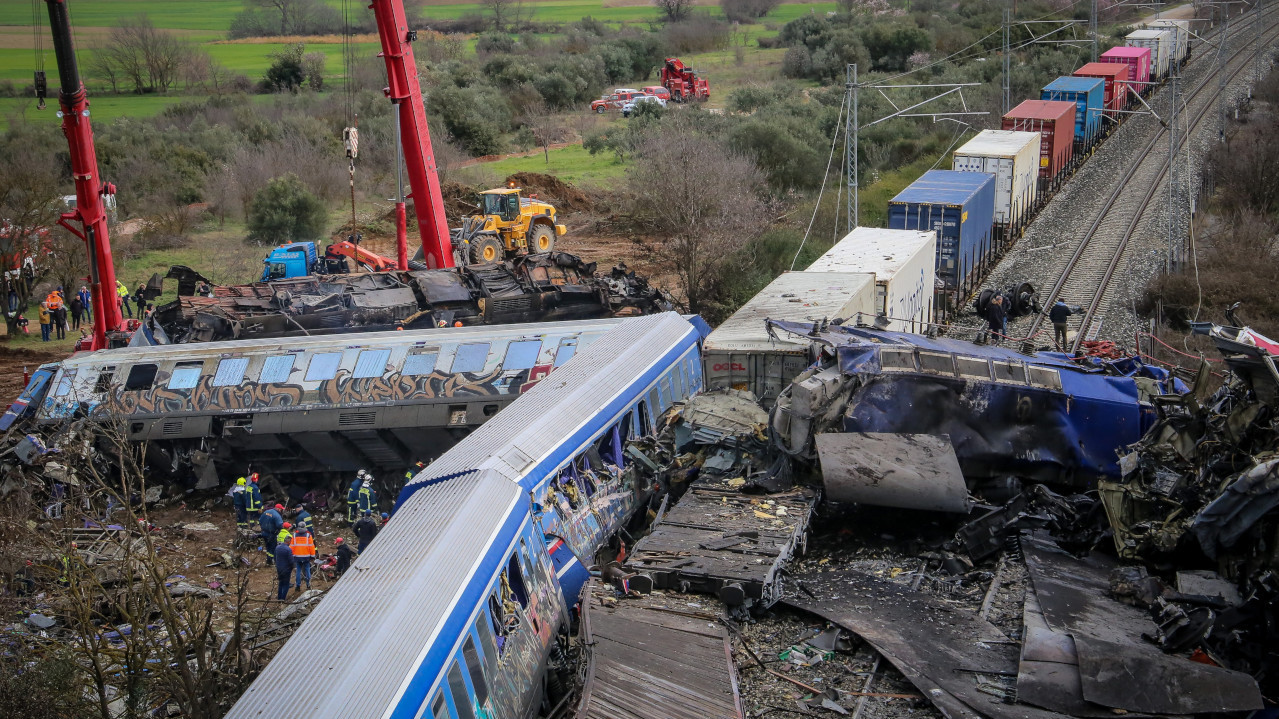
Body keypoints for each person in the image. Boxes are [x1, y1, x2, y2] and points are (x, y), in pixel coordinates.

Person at [290, 526, 316, 591]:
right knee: (307, 570)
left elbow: (292, 546)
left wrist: (291, 555)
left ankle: (298, 586)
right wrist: (312, 556)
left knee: (298, 571)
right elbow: (311, 547)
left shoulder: (294, 535)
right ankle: (308, 584)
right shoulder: (308, 535)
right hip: (306, 557)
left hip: (297, 557)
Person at [273, 534, 295, 601]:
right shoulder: (288, 549)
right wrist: (293, 567)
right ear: (288, 542)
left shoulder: (277, 547)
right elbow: (291, 561)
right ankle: (283, 598)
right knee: (286, 584)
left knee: (281, 583)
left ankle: (279, 598)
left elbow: (274, 557)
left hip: (279, 568)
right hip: (286, 569)